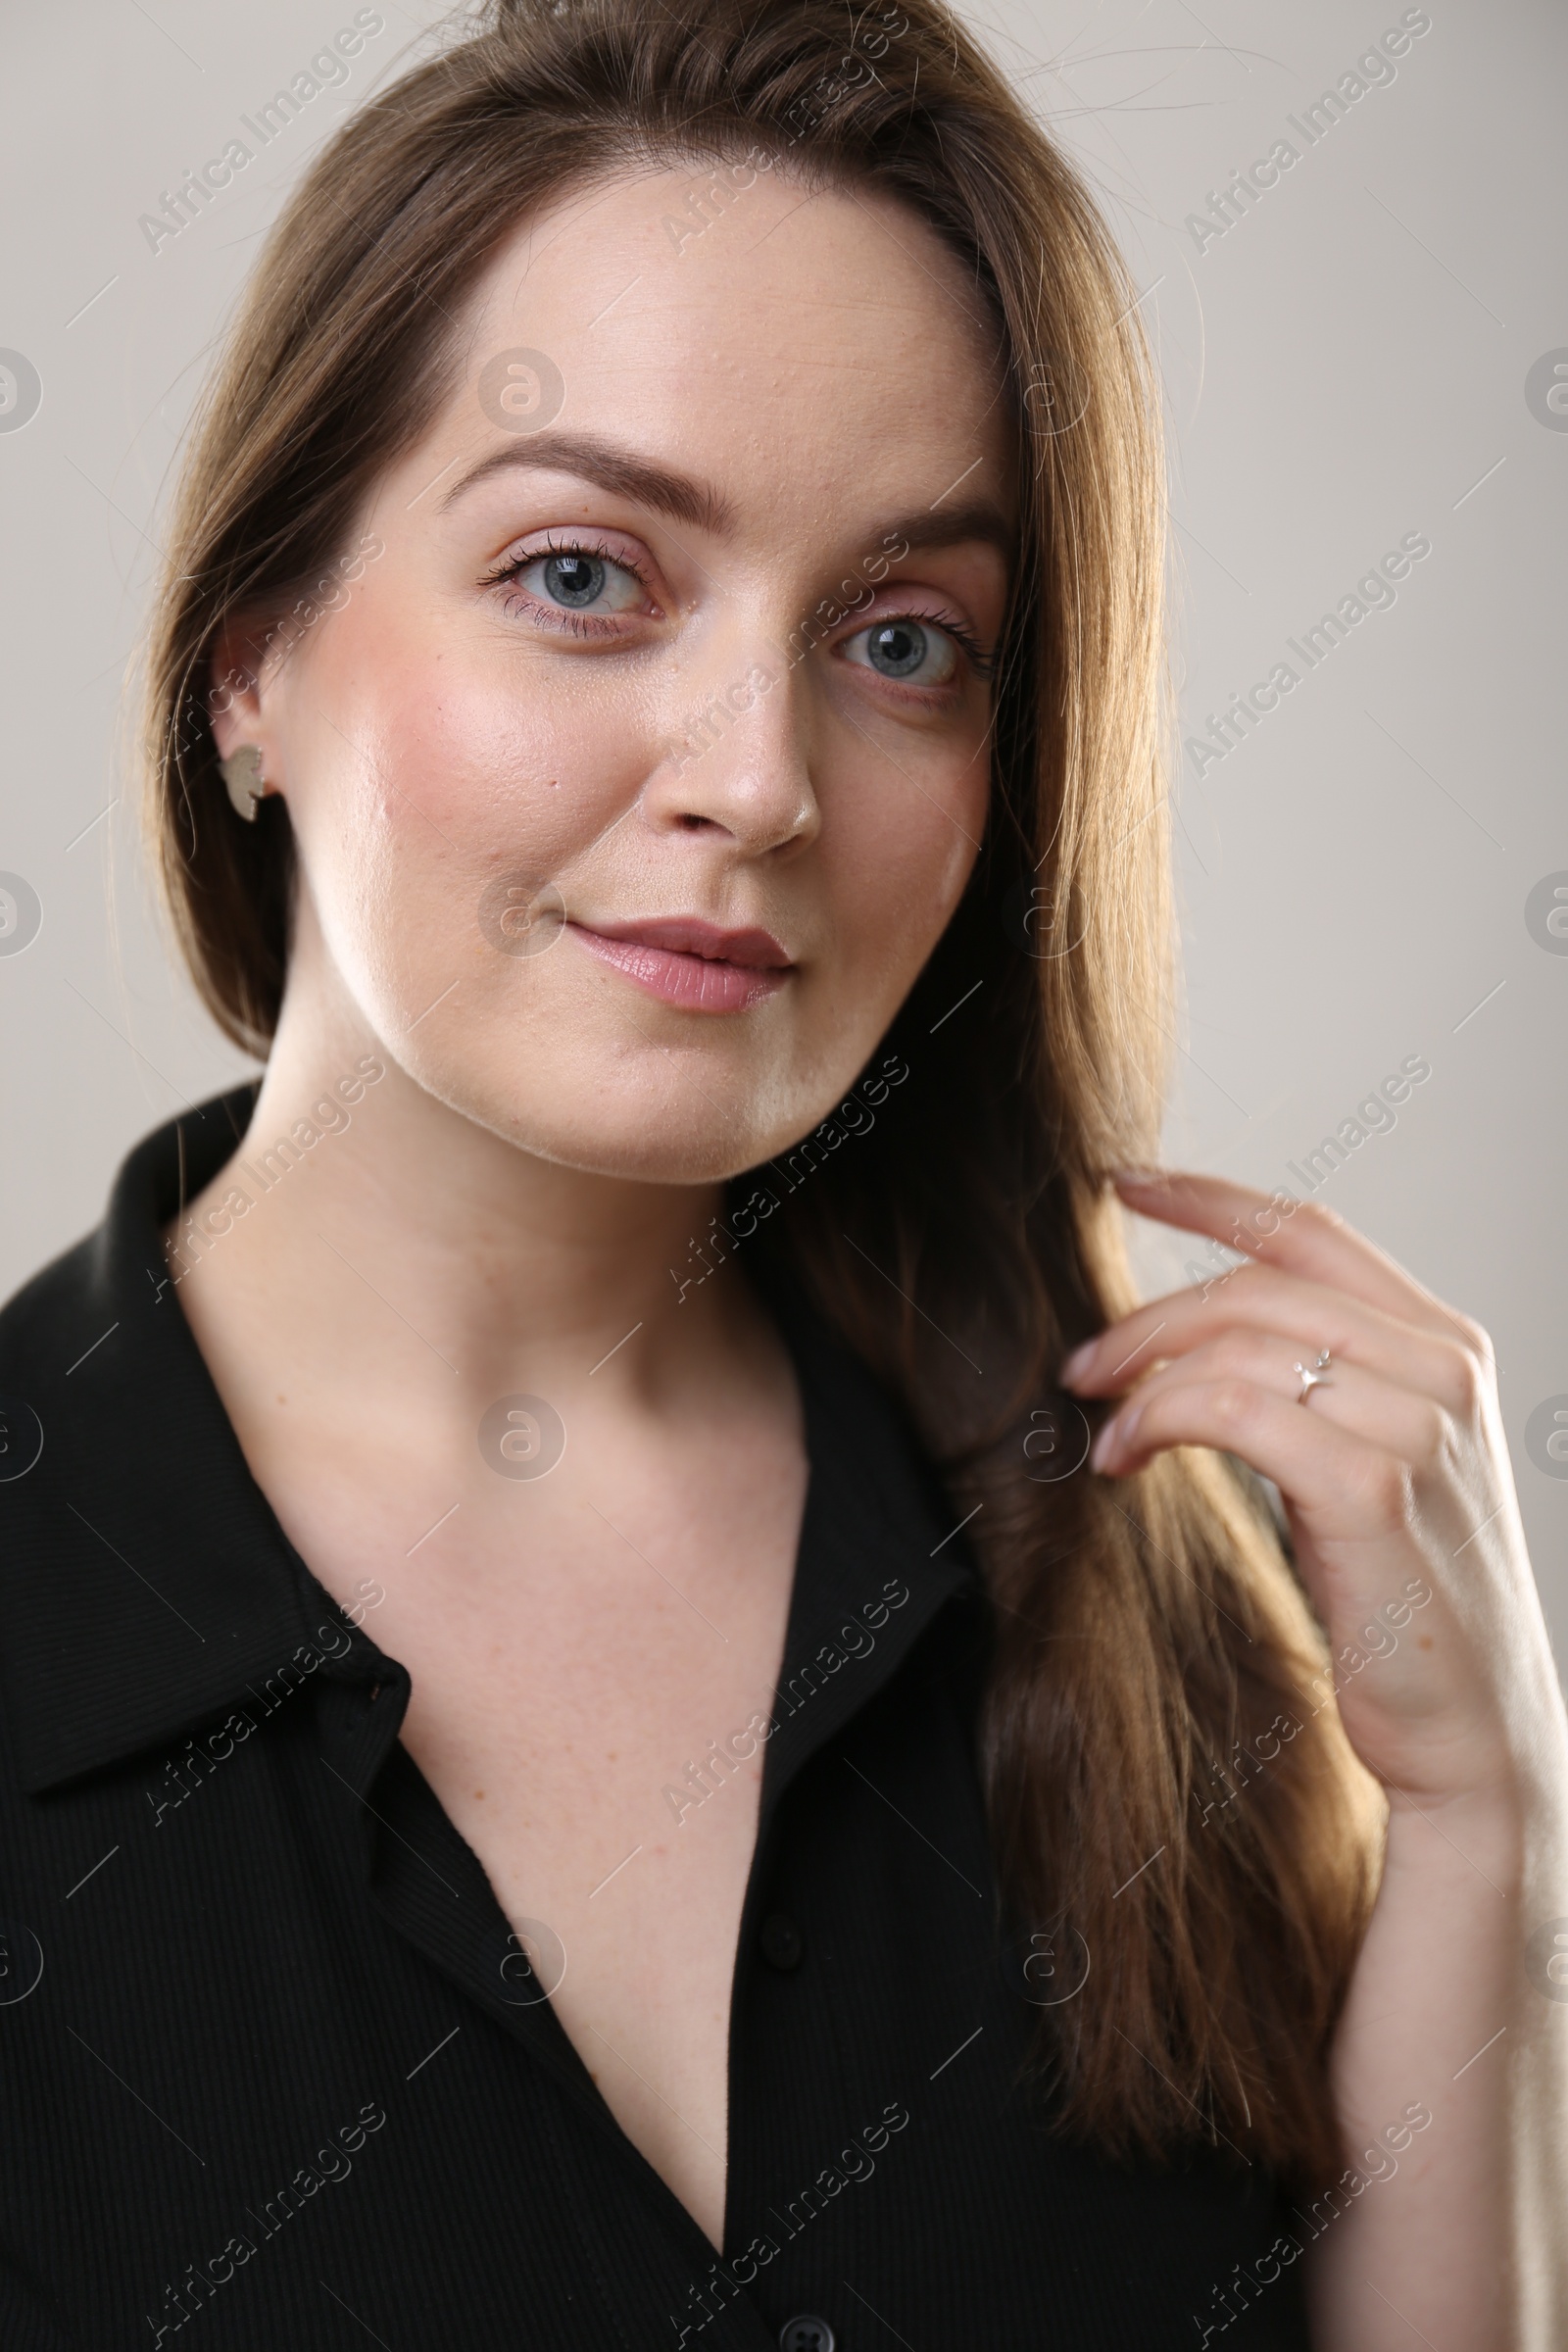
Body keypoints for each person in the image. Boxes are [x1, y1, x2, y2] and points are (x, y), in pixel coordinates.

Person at [1, 1, 1562, 2344]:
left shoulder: (1177, 1571)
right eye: (583, 576)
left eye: (899, 637)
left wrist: (1479, 1843)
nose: (761, 778)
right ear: (254, 663)